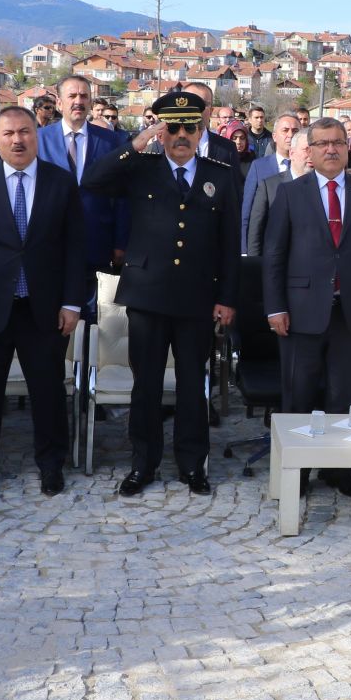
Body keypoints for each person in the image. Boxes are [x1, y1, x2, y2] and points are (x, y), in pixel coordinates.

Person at [82, 94, 239, 497]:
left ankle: (193, 465)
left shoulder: (220, 175)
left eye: (190, 127)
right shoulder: (141, 168)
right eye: (172, 127)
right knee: (146, 384)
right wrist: (135, 144)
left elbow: (228, 243)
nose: (181, 136)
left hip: (197, 296)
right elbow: (93, 180)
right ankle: (143, 464)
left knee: (192, 384)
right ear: (160, 130)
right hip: (148, 294)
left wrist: (227, 297)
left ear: (201, 130)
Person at [0, 107, 90, 501]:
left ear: (36, 136)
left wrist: (72, 302)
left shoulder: (61, 183)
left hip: (43, 308)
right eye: (8, 133)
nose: (17, 140)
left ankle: (51, 465)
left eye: (25, 132)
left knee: (47, 393)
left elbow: (75, 248)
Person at [262, 118, 351, 497]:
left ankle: (339, 470)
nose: (331, 150)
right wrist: (275, 308)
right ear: (310, 150)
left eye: (338, 143)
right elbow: (274, 256)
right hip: (300, 311)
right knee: (298, 395)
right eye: (322, 144)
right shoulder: (290, 193)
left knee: (345, 396)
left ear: (348, 149)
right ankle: (296, 472)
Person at [37, 75, 131, 279]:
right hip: (50, 245)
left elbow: (122, 196)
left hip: (97, 245)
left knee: (92, 310)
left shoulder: (111, 141)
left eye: (83, 96)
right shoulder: (39, 140)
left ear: (90, 101)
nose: (78, 101)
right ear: (59, 103)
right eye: (72, 96)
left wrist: (120, 243)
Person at [241, 113, 299, 248]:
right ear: (274, 136)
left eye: (295, 131)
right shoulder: (259, 167)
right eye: (285, 130)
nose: (290, 135)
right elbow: (247, 212)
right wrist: (245, 249)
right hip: (268, 246)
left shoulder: (309, 166)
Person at [247, 132, 309, 256]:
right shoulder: (270, 186)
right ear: (292, 154)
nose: (311, 156)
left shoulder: (323, 187)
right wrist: (254, 265)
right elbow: (256, 230)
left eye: (315, 150)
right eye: (306, 150)